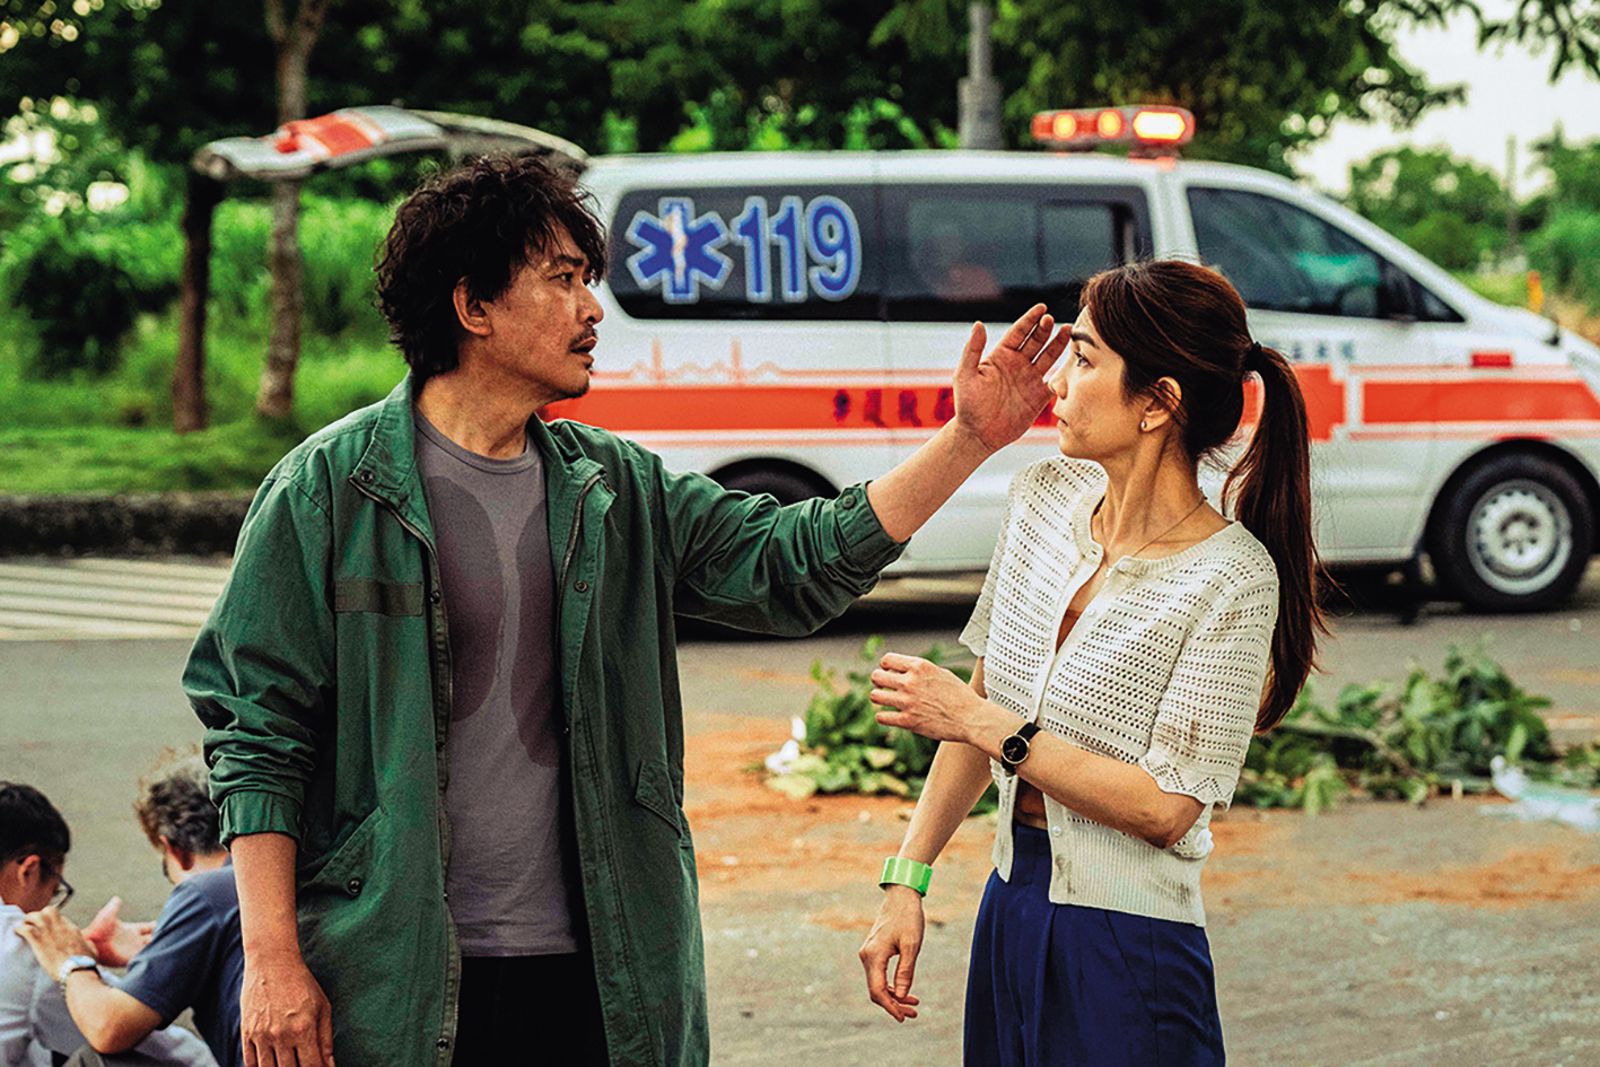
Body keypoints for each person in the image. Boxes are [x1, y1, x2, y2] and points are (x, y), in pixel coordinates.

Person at [181, 153, 1069, 1067]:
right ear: (473, 306)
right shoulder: (330, 491)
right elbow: (258, 736)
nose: (592, 308)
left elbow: (792, 563)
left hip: (601, 974)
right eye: (563, 280)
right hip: (393, 976)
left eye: (587, 280)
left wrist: (968, 440)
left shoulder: (613, 488)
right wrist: (273, 960)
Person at [859, 258, 1327, 1065]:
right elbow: (987, 692)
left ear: (1158, 402)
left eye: (1083, 359)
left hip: (1131, 946)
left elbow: (1165, 808)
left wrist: (981, 721)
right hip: (1011, 907)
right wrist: (908, 877)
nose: (1057, 384)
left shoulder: (1234, 578)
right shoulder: (1043, 500)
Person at [14, 753, 242, 1067]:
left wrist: (71, 961)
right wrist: (164, 956)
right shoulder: (271, 881)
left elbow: (107, 1027)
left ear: (175, 850)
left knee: (93, 1061)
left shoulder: (208, 891)